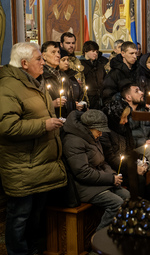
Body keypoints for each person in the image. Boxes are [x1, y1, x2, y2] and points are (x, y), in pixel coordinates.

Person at [0, 42, 67, 255]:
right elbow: (7, 126)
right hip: (22, 166)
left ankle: (32, 249)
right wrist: (44, 125)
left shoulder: (33, 82)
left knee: (35, 214)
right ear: (24, 63)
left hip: (39, 163)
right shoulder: (8, 87)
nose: (42, 62)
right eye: (38, 59)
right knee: (20, 216)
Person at [62, 109, 130, 231]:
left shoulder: (92, 138)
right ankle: (99, 240)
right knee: (116, 203)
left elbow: (102, 162)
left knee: (126, 195)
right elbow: (83, 172)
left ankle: (117, 233)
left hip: (96, 182)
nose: (101, 134)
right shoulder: (73, 141)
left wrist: (113, 175)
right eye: (99, 130)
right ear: (88, 128)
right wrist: (110, 179)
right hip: (82, 186)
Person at [101, 99, 150, 199]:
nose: (126, 120)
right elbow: (110, 159)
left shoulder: (125, 127)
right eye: (123, 117)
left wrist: (143, 161)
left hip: (127, 166)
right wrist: (134, 168)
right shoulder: (105, 132)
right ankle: (137, 208)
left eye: (127, 117)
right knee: (139, 180)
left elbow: (130, 151)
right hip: (115, 171)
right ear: (115, 117)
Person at [42, 41, 76, 118]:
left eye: (58, 52)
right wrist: (52, 104)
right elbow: (35, 104)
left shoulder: (63, 75)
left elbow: (70, 97)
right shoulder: (41, 76)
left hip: (67, 120)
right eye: (53, 52)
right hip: (51, 120)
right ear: (44, 56)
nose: (58, 55)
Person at [80, 40, 107, 110]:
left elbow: (105, 79)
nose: (95, 53)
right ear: (86, 51)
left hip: (100, 98)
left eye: (97, 52)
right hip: (88, 98)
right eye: (93, 51)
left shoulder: (100, 65)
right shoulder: (80, 65)